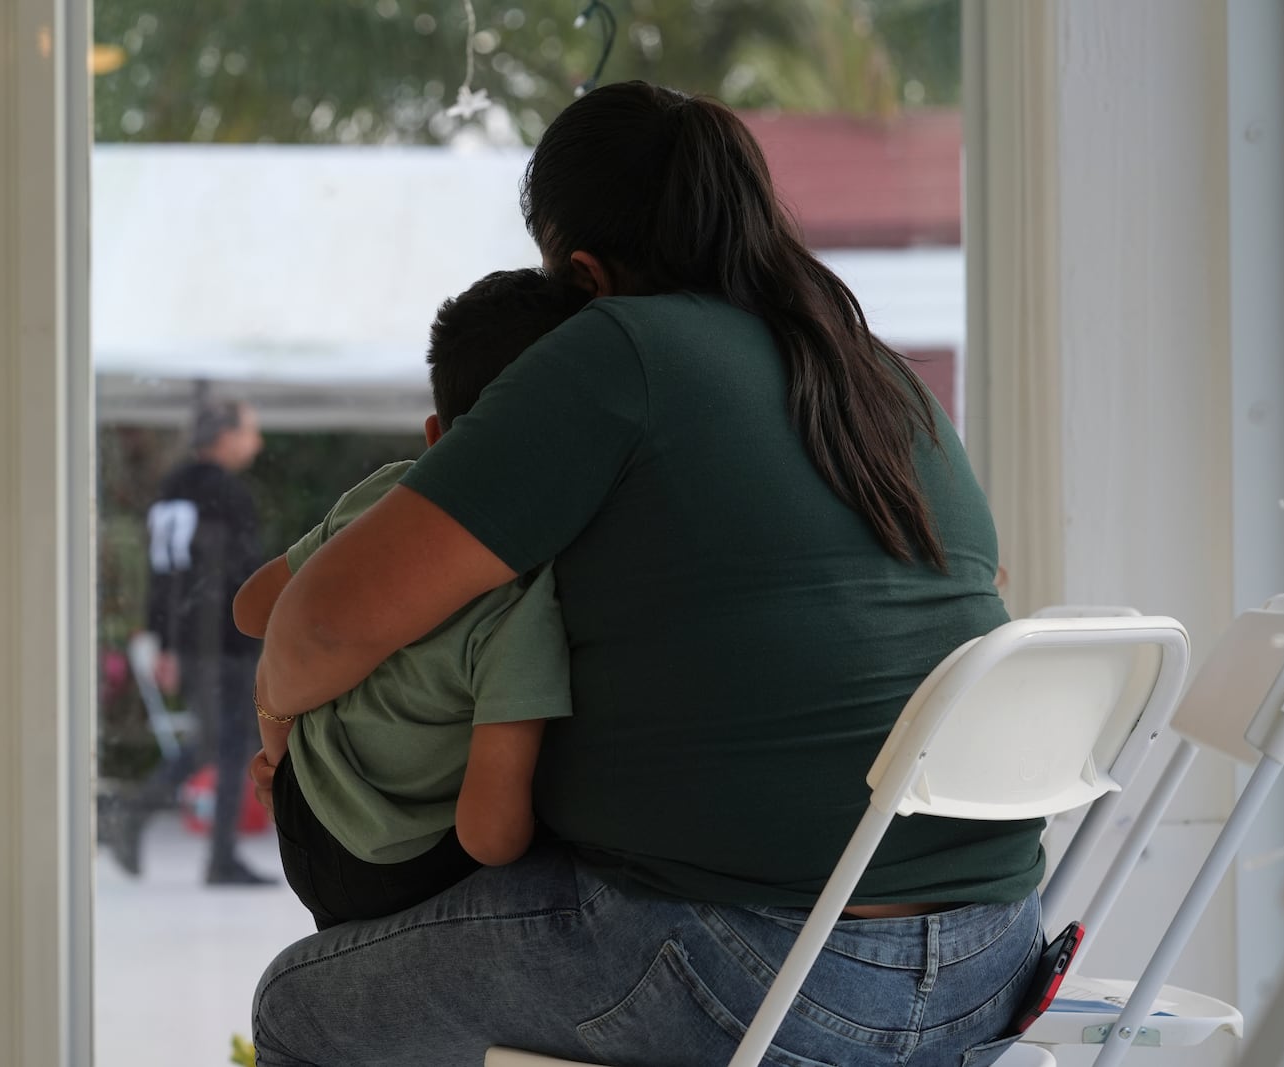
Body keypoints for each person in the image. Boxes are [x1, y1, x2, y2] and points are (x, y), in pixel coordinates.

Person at [248, 82, 1044, 1067]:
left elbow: (319, 626)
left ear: (579, 270)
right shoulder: (872, 373)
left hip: (759, 969)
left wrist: (281, 738)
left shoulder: (617, 347)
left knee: (302, 1002)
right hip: (995, 958)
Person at [233, 269, 588, 929]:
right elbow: (488, 834)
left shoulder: (389, 494)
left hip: (303, 811)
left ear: (435, 434)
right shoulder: (529, 602)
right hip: (390, 871)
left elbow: (252, 607)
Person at [136, 398, 275, 886]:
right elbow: (236, 573)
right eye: (250, 431)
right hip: (223, 637)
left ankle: (139, 815)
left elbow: (163, 572)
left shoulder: (173, 488)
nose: (256, 442)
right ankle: (216, 855)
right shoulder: (226, 494)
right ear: (225, 436)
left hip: (191, 635)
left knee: (221, 739)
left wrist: (165, 639)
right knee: (231, 740)